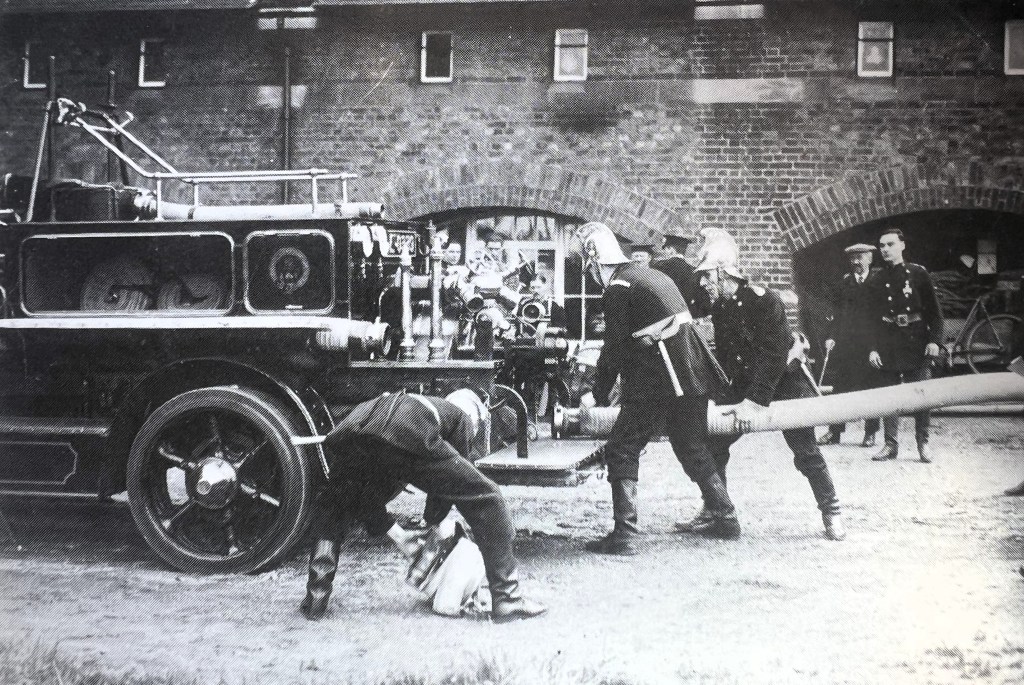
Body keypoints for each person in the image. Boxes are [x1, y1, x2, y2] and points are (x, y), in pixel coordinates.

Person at [299, 389, 547, 623]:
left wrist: (396, 532)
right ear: (475, 416)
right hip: (406, 431)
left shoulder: (415, 401)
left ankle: (316, 598)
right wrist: (434, 522)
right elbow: (448, 488)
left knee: (334, 502)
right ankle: (508, 599)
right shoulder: (460, 417)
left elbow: (366, 499)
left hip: (354, 433)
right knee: (488, 498)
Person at [577, 222, 732, 554]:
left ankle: (624, 534)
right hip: (692, 373)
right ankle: (726, 515)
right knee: (691, 445)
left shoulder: (619, 286)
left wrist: (596, 392)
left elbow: (614, 347)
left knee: (622, 447)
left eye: (587, 264)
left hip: (658, 377)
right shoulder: (649, 275)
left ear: (594, 260)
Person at [689, 227, 845, 541]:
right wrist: (728, 399)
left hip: (785, 384)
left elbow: (774, 356)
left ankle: (831, 511)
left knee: (805, 451)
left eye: (707, 276)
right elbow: (732, 359)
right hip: (748, 386)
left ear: (722, 273)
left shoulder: (764, 300)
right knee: (713, 445)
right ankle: (716, 508)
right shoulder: (721, 307)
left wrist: (755, 402)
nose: (703, 283)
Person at [867, 228, 944, 463]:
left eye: (890, 244)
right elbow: (870, 319)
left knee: (921, 393)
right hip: (888, 342)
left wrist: (934, 341)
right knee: (890, 395)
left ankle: (923, 443)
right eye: (882, 246)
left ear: (902, 245)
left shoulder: (918, 273)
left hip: (916, 341)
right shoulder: (877, 278)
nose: (885, 250)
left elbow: (935, 313)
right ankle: (890, 444)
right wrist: (872, 348)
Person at [816, 243, 882, 448]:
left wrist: (875, 348)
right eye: (852, 258)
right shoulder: (845, 283)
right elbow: (837, 314)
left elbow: (881, 319)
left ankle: (870, 433)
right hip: (846, 346)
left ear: (870, 259)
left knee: (871, 390)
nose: (856, 262)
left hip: (870, 347)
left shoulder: (878, 282)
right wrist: (831, 336)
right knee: (839, 389)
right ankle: (834, 432)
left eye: (860, 257)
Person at [652, 231, 710, 318]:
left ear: (671, 249)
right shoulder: (694, 271)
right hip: (687, 317)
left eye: (666, 249)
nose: (665, 252)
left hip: (665, 317)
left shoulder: (659, 267)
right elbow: (704, 303)